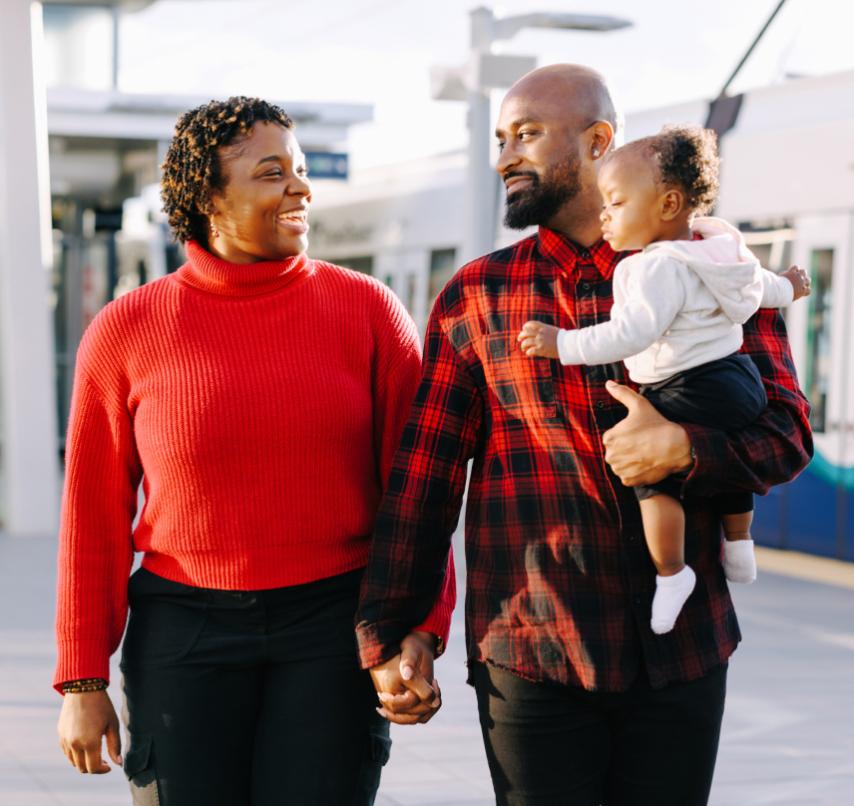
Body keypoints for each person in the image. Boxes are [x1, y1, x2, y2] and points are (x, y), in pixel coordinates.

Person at [356, 65, 812, 805]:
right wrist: (395, 631)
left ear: (599, 142)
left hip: (684, 656)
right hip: (533, 653)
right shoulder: (477, 296)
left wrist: (691, 452)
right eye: (501, 139)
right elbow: (425, 479)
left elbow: (788, 432)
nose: (505, 155)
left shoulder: (713, 268)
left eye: (527, 135)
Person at [54, 96, 453, 806]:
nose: (300, 187)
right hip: (183, 633)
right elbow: (92, 517)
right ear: (209, 196)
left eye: (300, 170)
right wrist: (82, 679)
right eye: (273, 173)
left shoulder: (367, 312)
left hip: (333, 628)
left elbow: (418, 495)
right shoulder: (126, 330)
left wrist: (418, 630)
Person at [518, 125, 811, 634]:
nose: (605, 214)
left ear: (669, 203)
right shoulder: (717, 251)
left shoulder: (651, 268)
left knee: (651, 479)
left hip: (687, 387)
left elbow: (632, 333)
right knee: (723, 449)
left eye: (615, 202)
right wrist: (790, 285)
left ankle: (672, 573)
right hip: (739, 380)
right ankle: (739, 544)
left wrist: (562, 343)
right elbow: (760, 288)